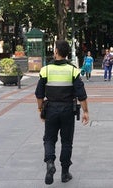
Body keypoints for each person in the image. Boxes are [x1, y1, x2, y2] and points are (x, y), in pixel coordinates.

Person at [35, 40, 89, 185]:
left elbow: (39, 94)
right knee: (67, 142)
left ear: (56, 52)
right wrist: (86, 111)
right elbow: (81, 94)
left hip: (51, 109)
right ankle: (65, 174)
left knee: (49, 139)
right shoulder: (73, 70)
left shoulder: (46, 70)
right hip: (68, 110)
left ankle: (50, 163)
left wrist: (40, 109)